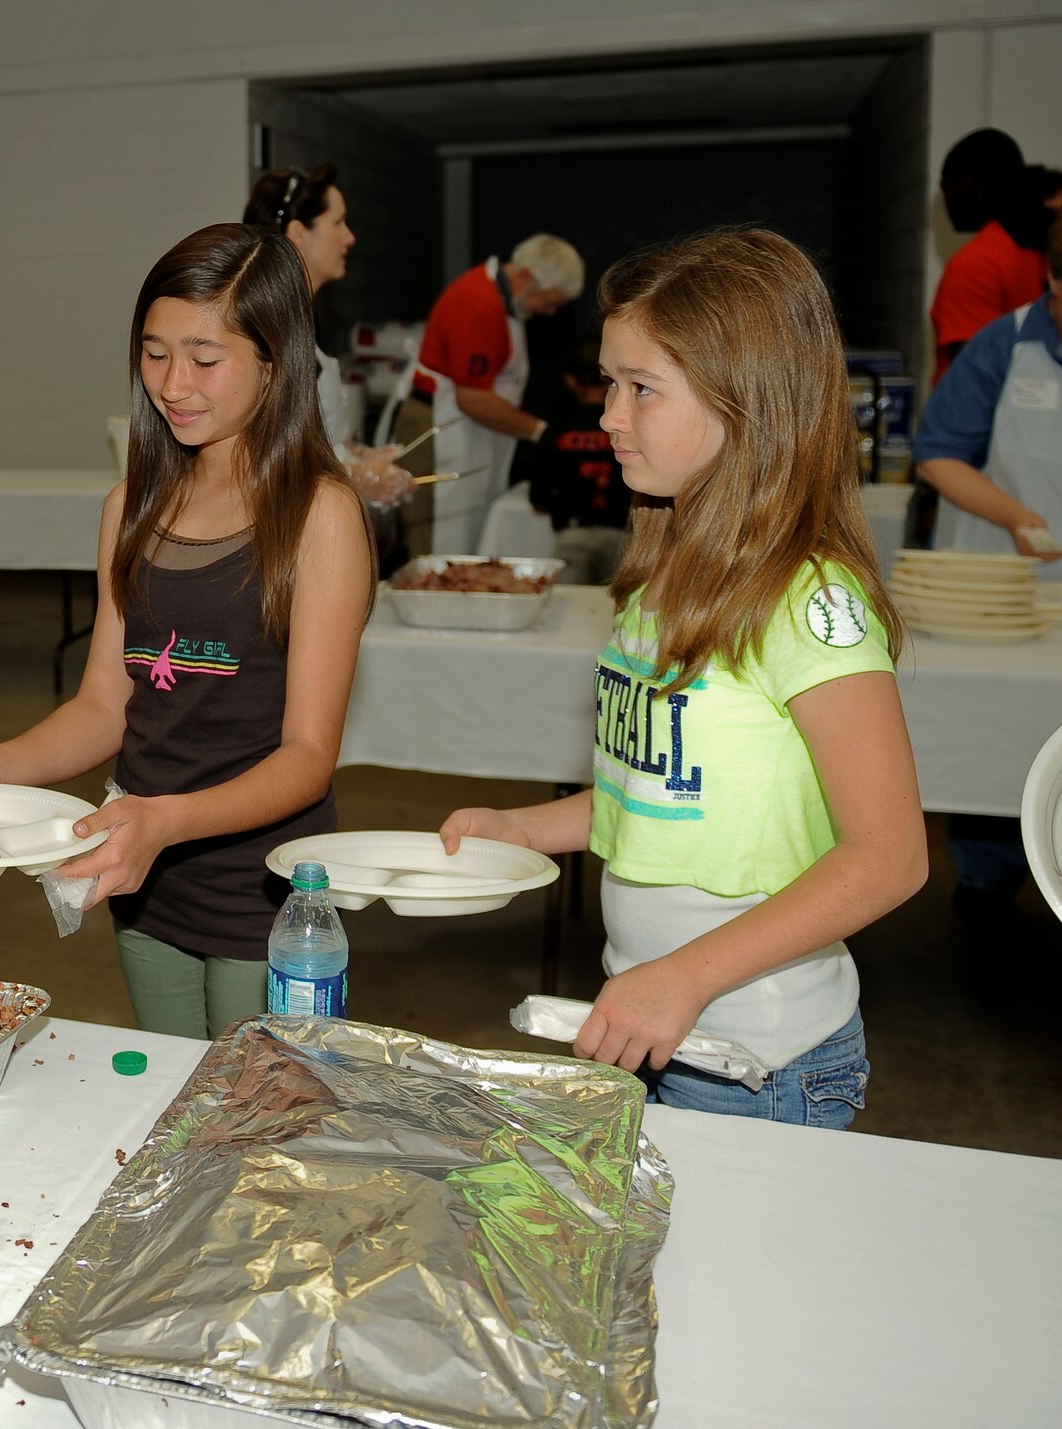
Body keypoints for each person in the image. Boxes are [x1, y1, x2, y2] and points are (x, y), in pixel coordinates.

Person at [441, 229, 926, 1127]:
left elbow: (890, 857)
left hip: (760, 1061)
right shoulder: (661, 577)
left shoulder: (809, 599)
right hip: (658, 1027)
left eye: (640, 388)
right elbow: (652, 792)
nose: (609, 415)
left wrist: (683, 976)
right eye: (609, 383)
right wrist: (522, 827)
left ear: (746, 403)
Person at [0, 223, 374, 1039]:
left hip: (263, 893)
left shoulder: (320, 516)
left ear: (275, 363)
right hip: (145, 883)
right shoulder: (130, 506)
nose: (174, 383)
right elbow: (104, 705)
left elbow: (308, 758)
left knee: (247, 1127)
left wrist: (164, 820)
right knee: (169, 1105)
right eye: (154, 352)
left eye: (206, 359)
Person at [913, 211, 1062, 904]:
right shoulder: (1004, 346)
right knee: (997, 743)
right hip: (1001, 597)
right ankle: (984, 880)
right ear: (1052, 279)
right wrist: (1019, 518)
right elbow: (937, 452)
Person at [242, 165, 414, 573]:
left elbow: (309, 426)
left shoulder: (303, 317)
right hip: (282, 540)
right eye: (338, 222)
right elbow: (264, 447)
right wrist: (354, 473)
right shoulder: (267, 327)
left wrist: (358, 454)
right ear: (299, 233)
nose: (350, 237)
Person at [394, 233, 584, 555]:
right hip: (440, 430)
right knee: (441, 549)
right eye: (549, 302)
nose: (550, 313)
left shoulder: (507, 302)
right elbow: (472, 399)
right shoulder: (479, 305)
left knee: (470, 543)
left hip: (468, 430)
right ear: (526, 279)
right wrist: (542, 433)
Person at [929, 129, 1050, 383]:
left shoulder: (976, 264)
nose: (946, 200)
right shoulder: (1044, 247)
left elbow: (971, 382)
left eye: (946, 185)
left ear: (971, 183)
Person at [527, 339, 629, 585]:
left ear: (570, 381)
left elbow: (538, 498)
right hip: (624, 540)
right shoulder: (629, 429)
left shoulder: (556, 431)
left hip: (573, 537)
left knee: (570, 613)